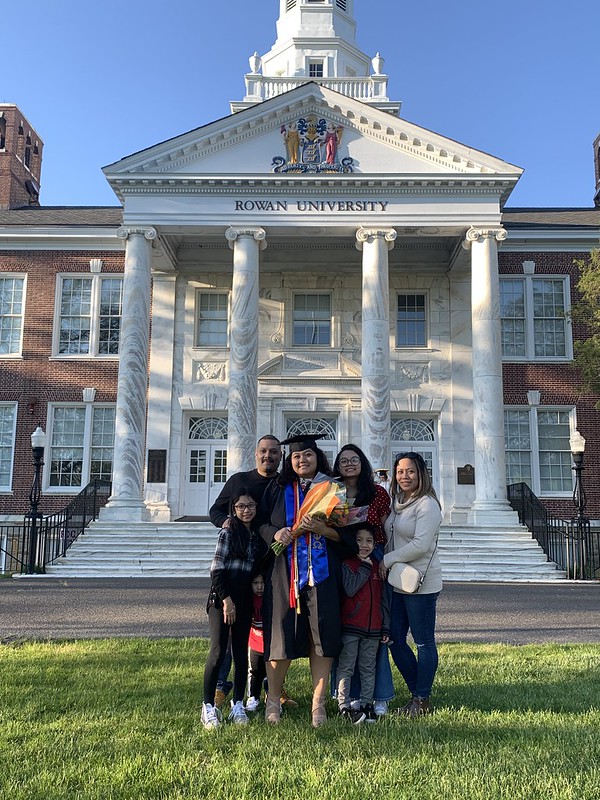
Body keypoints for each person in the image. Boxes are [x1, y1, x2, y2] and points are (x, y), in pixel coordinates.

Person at [259, 433, 357, 727]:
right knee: (281, 635)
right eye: (297, 456)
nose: (303, 459)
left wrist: (322, 529)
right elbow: (260, 522)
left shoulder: (333, 489)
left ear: (318, 457)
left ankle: (318, 705)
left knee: (322, 636)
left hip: (323, 575)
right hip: (284, 574)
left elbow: (347, 535)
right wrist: (274, 534)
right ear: (291, 461)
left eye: (308, 455)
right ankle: (273, 699)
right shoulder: (278, 488)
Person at [332, 444, 394, 715]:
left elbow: (386, 527)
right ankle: (346, 697)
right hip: (344, 558)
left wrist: (384, 560)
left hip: (374, 556)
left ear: (362, 463)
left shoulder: (377, 493)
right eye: (343, 461)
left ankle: (376, 695)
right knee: (346, 631)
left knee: (373, 629)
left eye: (354, 460)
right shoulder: (332, 492)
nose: (348, 464)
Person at [381, 452, 443, 717]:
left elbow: (422, 545)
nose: (404, 477)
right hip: (397, 581)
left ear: (421, 474)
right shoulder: (397, 502)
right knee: (395, 639)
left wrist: (386, 560)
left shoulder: (427, 505)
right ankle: (419, 692)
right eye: (400, 471)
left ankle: (422, 699)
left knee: (423, 642)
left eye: (410, 471)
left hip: (420, 583)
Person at [201, 490, 268, 730]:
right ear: (234, 509)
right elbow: (216, 569)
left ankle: (238, 703)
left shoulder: (256, 536)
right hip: (222, 599)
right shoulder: (228, 532)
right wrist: (226, 600)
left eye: (250, 505)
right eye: (240, 506)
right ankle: (208, 706)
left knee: (241, 654)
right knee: (218, 651)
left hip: (245, 599)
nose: (246, 510)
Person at [337, 524, 390, 724]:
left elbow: (383, 600)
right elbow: (350, 589)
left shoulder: (378, 567)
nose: (364, 545)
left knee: (368, 667)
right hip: (351, 626)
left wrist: (385, 626)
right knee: (347, 666)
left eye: (369, 541)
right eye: (359, 540)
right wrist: (365, 567)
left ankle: (367, 705)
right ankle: (344, 704)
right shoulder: (348, 564)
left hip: (374, 628)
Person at [245, 573, 298, 713]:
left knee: (272, 672)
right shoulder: (249, 599)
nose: (259, 587)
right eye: (256, 583)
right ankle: (253, 696)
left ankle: (272, 696)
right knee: (255, 671)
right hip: (255, 641)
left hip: (270, 641)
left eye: (262, 583)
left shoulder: (270, 598)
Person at [209, 435, 282, 529]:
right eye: (263, 451)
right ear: (256, 455)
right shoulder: (238, 480)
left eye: (273, 452)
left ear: (280, 456)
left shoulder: (286, 484)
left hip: (277, 540)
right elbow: (216, 510)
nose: (267, 456)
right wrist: (225, 522)